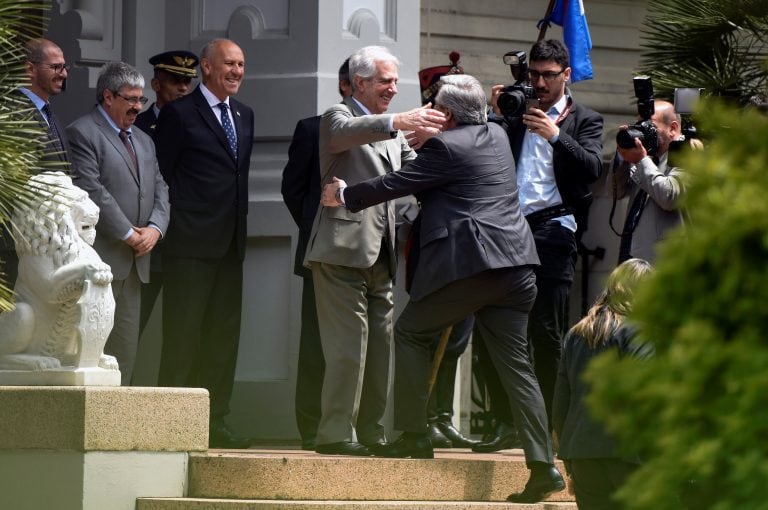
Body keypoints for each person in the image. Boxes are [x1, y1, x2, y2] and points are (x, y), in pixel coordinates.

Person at [322, 74, 565, 503]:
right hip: (518, 268)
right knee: (518, 368)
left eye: (436, 106)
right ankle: (543, 464)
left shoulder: (445, 147)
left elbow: (394, 185)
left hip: (472, 266)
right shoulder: (496, 136)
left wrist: (345, 194)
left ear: (447, 114)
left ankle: (415, 435)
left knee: (411, 332)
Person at [303, 45, 445, 457]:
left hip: (382, 254)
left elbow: (414, 171)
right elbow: (345, 135)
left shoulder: (392, 131)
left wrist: (444, 146)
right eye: (385, 80)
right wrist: (398, 121)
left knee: (380, 351)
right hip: (341, 252)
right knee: (348, 350)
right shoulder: (337, 116)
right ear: (361, 81)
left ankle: (371, 432)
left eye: (395, 81)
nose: (393, 88)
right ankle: (334, 434)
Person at [475, 39, 604, 448]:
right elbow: (481, 157)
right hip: (506, 229)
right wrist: (495, 116)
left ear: (567, 74)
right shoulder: (514, 111)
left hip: (553, 230)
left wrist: (554, 136)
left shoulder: (584, 118)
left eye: (549, 75)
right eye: (534, 73)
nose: (540, 82)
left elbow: (591, 169)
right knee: (493, 324)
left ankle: (549, 425)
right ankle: (503, 421)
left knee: (545, 329)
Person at [153, 38, 254, 449]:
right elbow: (164, 175)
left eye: (242, 65)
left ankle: (217, 420)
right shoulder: (179, 114)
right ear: (207, 68)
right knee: (183, 335)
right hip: (190, 244)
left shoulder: (245, 115)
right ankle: (172, 422)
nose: (236, 71)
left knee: (222, 337)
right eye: (229, 64)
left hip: (231, 243)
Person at [66, 61, 170, 386]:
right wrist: (128, 234)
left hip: (135, 264)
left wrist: (155, 228)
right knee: (91, 355)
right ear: (108, 97)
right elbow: (93, 190)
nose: (138, 107)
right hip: (100, 262)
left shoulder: (144, 140)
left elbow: (161, 187)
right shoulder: (82, 132)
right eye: (131, 99)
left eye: (142, 100)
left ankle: (116, 433)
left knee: (124, 353)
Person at [280, 57, 352, 451]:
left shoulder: (385, 130)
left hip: (365, 257)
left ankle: (352, 427)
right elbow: (293, 191)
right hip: (319, 252)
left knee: (355, 347)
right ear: (346, 86)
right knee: (316, 344)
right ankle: (311, 425)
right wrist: (318, 233)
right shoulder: (312, 129)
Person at [553, 258, 653, 509]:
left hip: (582, 452)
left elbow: (560, 405)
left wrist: (569, 462)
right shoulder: (639, 330)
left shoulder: (576, 333)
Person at [134, 50, 198, 344]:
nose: (183, 88)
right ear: (156, 84)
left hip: (184, 240)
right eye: (174, 81)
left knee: (183, 332)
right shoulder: (136, 125)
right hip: (145, 240)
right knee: (131, 326)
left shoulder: (197, 123)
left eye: (187, 81)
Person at [1, 38, 71, 289]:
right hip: (16, 244)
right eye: (55, 67)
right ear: (29, 69)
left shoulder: (48, 112)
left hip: (45, 242)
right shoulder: (13, 113)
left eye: (64, 67)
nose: (63, 74)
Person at [613, 99, 686, 264]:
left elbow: (669, 197)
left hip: (664, 262)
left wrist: (642, 160)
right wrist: (623, 156)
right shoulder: (648, 157)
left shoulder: (688, 153)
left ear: (673, 129)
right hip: (632, 255)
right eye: (640, 125)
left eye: (650, 125)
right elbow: (616, 192)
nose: (643, 131)